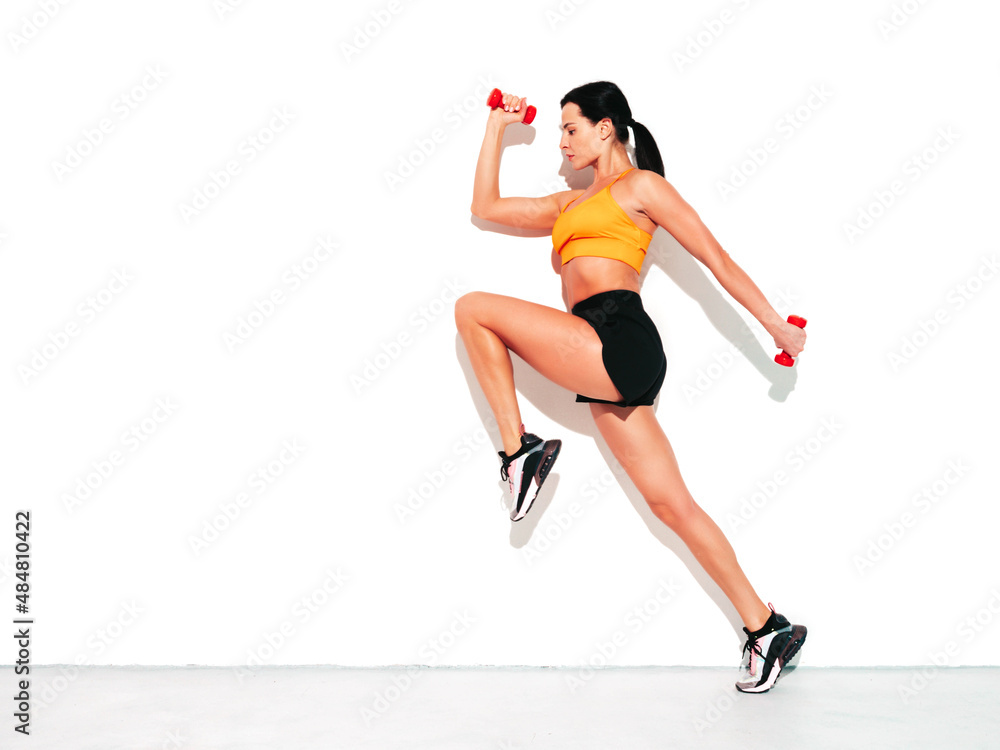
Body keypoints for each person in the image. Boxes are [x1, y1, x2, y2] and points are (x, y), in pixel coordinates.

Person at [455, 81, 807, 693]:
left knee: (474, 307)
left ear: (606, 128)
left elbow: (716, 260)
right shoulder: (567, 207)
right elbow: (485, 206)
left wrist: (776, 325)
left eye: (571, 128)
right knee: (673, 506)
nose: (562, 142)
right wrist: (494, 126)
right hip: (595, 345)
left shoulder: (640, 188)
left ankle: (519, 453)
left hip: (619, 337)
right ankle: (766, 627)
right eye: (559, 130)